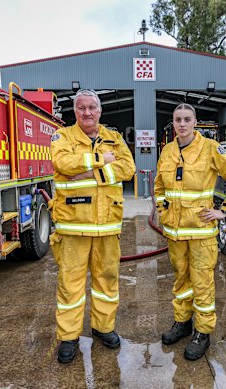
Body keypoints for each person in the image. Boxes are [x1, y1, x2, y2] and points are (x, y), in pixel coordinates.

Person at [154, 103, 226, 360]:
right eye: (177, 120)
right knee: (181, 281)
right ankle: (182, 323)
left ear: (194, 122)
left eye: (186, 119)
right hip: (175, 233)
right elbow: (159, 186)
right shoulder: (168, 151)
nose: (181, 124)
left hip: (201, 233)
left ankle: (202, 332)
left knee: (202, 283)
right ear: (173, 123)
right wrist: (163, 210)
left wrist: (224, 210)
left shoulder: (209, 149)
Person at [50, 89, 135, 363]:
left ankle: (103, 327)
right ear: (75, 111)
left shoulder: (115, 138)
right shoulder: (62, 137)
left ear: (100, 110)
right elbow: (62, 163)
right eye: (81, 108)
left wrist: (85, 173)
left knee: (106, 281)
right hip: (73, 226)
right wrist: (100, 160)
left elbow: (128, 168)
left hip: (108, 225)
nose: (87, 112)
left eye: (92, 107)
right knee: (70, 285)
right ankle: (68, 337)